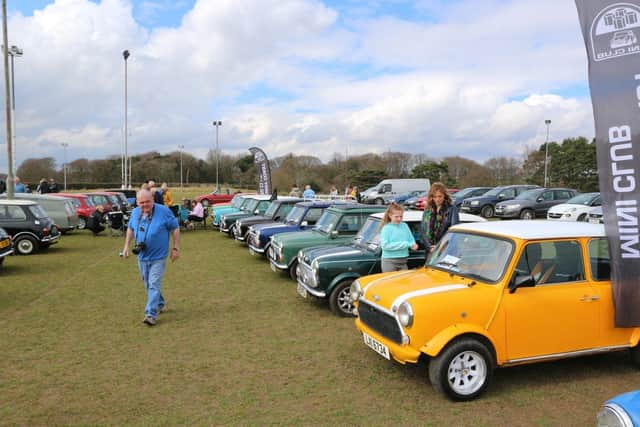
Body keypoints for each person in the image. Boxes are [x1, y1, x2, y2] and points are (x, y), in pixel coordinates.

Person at [122, 189, 180, 326]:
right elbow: (130, 229)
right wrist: (126, 246)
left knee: (153, 283)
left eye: (147, 201)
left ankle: (150, 314)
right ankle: (160, 303)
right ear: (137, 202)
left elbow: (175, 228)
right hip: (142, 256)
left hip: (159, 257)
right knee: (148, 284)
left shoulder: (164, 212)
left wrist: (176, 248)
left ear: (153, 200)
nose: (144, 205)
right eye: (141, 202)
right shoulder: (135, 212)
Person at [420, 182, 459, 256]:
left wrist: (440, 245)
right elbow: (423, 230)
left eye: (440, 196)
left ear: (444, 196)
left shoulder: (451, 209)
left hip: (446, 249)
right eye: (435, 197)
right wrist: (429, 247)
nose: (437, 199)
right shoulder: (428, 209)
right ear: (431, 197)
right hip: (430, 251)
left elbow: (454, 231)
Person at [380, 203, 418, 272]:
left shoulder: (405, 226)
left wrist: (413, 245)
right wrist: (405, 244)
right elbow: (385, 246)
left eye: (401, 216)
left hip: (403, 261)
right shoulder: (386, 228)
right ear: (390, 216)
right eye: (396, 217)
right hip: (389, 262)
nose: (399, 219)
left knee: (404, 282)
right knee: (391, 283)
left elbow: (411, 240)